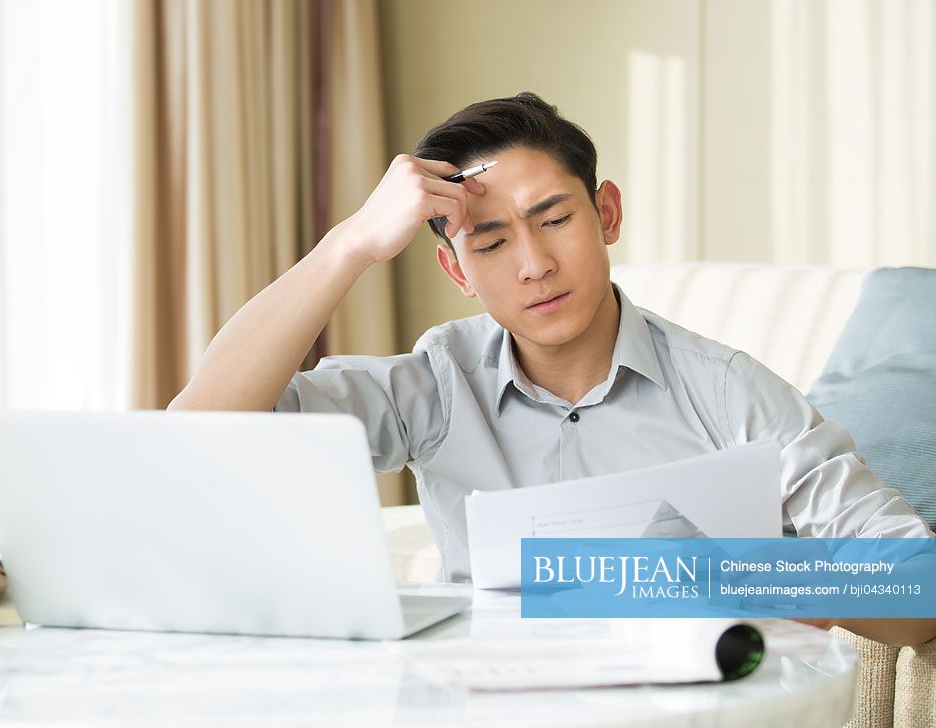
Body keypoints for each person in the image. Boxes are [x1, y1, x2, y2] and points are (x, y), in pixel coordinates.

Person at [168, 91, 936, 646]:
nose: (533, 265)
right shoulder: (437, 382)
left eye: (555, 219)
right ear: (456, 269)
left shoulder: (728, 391)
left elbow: (915, 585)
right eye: (492, 242)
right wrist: (352, 245)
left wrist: (729, 573)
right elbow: (200, 432)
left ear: (604, 213)